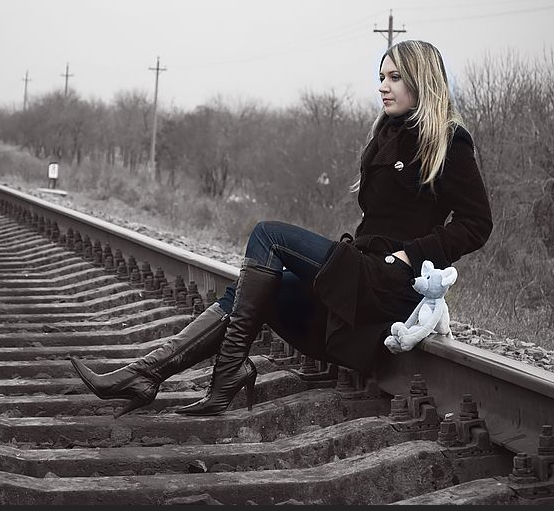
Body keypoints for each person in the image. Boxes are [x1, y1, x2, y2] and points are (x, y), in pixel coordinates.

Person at [71, 39, 493, 417]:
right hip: (364, 269)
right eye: (380, 77)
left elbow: (477, 224)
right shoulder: (386, 133)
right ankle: (148, 374)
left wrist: (412, 254)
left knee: (267, 236)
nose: (382, 86)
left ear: (422, 80)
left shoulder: (448, 140)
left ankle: (223, 373)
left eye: (394, 77)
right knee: (254, 291)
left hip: (388, 280)